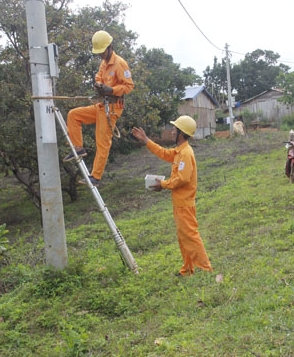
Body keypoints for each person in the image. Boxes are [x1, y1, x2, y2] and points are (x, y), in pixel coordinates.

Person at [132, 116, 214, 277]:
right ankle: (188, 269)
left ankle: (205, 269)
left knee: (190, 235)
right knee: (183, 237)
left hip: (184, 204)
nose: (172, 131)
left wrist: (163, 184)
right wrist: (146, 140)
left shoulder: (185, 153)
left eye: (175, 129)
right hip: (180, 203)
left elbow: (183, 179)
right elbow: (163, 153)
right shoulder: (179, 152)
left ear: (181, 133)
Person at [64, 30, 134, 187]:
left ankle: (95, 176)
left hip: (112, 108)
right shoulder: (103, 63)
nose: (101, 55)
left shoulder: (120, 63)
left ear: (110, 47)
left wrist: (111, 90)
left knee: (102, 142)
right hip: (102, 105)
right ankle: (78, 147)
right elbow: (99, 77)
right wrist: (99, 85)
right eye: (99, 52)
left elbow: (129, 86)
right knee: (74, 115)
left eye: (102, 51)